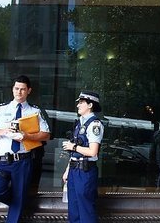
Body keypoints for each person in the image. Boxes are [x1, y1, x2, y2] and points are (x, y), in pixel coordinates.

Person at [0, 75, 51, 223]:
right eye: (16, 88)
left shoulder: (35, 111)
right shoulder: (2, 109)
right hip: (3, 161)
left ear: (29, 91)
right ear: (12, 89)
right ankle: (19, 202)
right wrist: (3, 131)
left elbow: (46, 135)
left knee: (18, 201)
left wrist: (26, 136)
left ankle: (19, 202)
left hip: (23, 161)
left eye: (22, 89)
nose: (19, 92)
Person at [62, 91, 104, 223]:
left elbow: (93, 151)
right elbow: (74, 153)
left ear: (90, 105)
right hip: (75, 169)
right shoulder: (79, 123)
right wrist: (68, 170)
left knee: (85, 209)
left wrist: (73, 147)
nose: (78, 105)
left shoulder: (94, 125)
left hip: (85, 171)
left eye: (81, 102)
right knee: (73, 209)